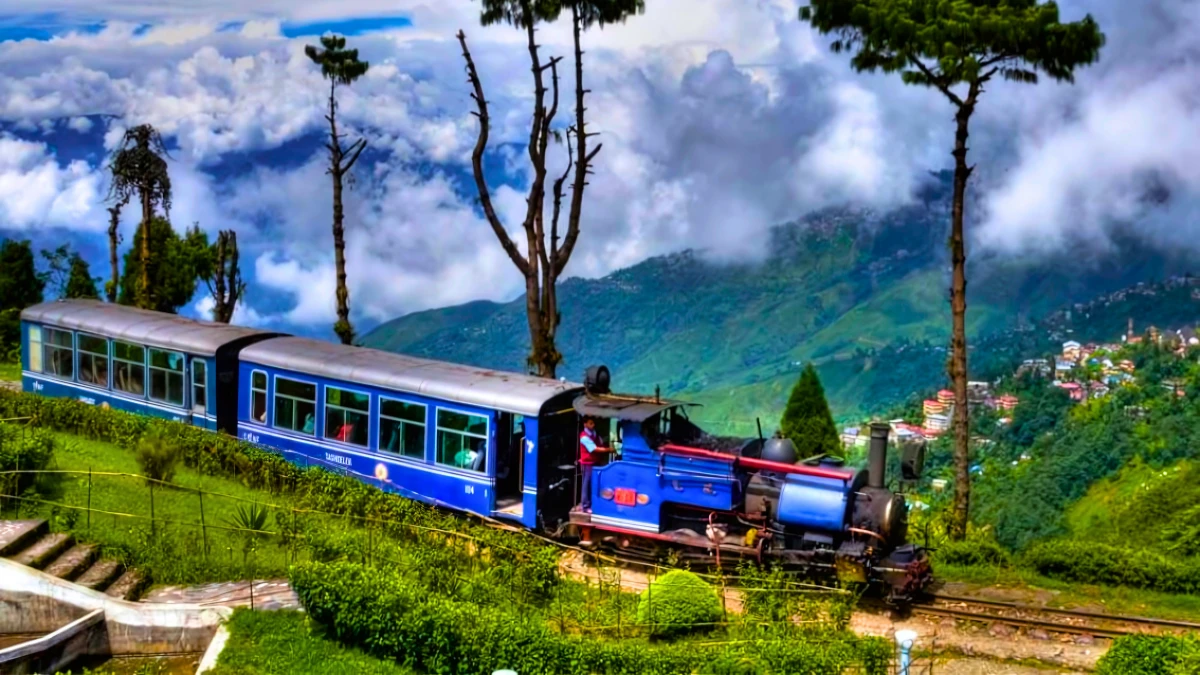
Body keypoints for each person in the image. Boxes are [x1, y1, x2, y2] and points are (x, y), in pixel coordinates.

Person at [578, 417, 608, 512]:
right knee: (586, 484)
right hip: (588, 463)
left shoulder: (594, 434)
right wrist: (609, 450)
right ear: (585, 424)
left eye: (593, 423)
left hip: (595, 462)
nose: (593, 425)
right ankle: (585, 506)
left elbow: (600, 443)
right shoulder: (584, 437)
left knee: (594, 483)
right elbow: (594, 448)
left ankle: (594, 503)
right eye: (590, 423)